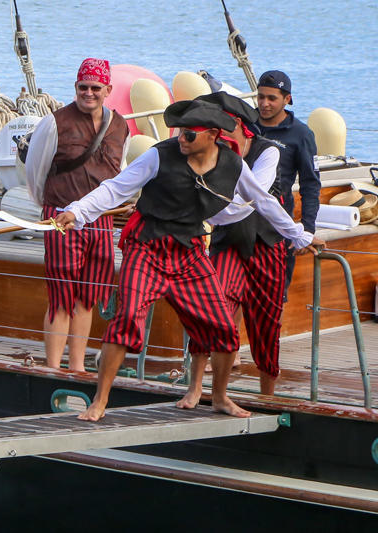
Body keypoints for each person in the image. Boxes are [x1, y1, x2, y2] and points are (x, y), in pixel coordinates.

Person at [53, 99, 321, 421]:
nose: (181, 138)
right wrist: (77, 211)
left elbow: (263, 202)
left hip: (189, 251)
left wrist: (299, 235)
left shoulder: (233, 164)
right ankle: (99, 401)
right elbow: (115, 189)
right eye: (180, 132)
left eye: (189, 134)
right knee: (127, 319)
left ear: (212, 135)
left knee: (223, 328)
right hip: (147, 247)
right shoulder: (159, 155)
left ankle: (219, 397)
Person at [189, 91, 323, 395]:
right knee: (210, 309)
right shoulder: (208, 151)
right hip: (229, 243)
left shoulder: (267, 151)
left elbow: (255, 199)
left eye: (220, 127)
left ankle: (267, 395)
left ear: (238, 124)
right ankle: (196, 388)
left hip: (267, 243)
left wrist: (301, 232)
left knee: (266, 324)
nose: (216, 134)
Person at [25, 58, 129, 371]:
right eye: (83, 87)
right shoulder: (54, 123)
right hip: (60, 217)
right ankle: (53, 367)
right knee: (61, 296)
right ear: (75, 87)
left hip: (100, 220)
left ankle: (78, 367)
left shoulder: (120, 126)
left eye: (96, 88)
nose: (89, 93)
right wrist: (49, 206)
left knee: (88, 295)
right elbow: (35, 171)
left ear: (108, 89)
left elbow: (120, 172)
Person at [256, 70, 321, 293]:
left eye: (271, 98)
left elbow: (310, 185)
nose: (264, 103)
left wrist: (307, 230)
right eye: (260, 96)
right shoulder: (245, 124)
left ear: (287, 99)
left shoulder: (301, 134)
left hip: (276, 226)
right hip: (239, 222)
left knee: (274, 297)